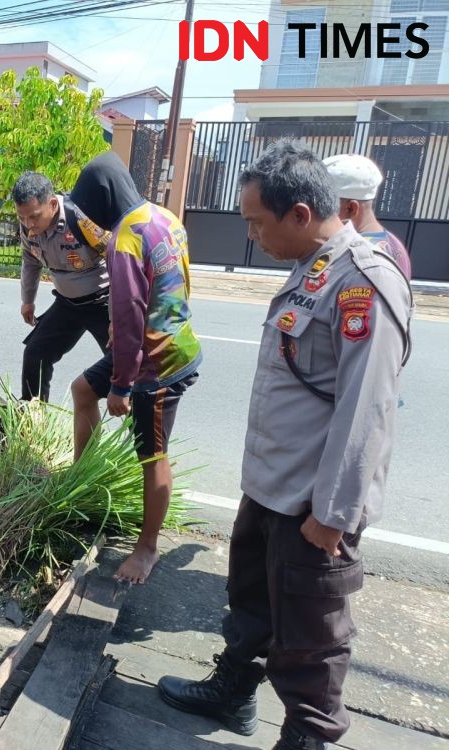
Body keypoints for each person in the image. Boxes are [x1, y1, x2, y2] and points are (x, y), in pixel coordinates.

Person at [157, 140, 412, 750]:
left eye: (256, 222)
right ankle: (233, 695)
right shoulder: (312, 267)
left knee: (311, 639)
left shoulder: (363, 284)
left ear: (300, 214)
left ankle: (308, 737)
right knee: (250, 607)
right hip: (270, 488)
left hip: (312, 508)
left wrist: (333, 515)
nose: (251, 236)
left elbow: (367, 409)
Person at [68, 151, 202, 585]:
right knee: (82, 389)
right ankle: (82, 476)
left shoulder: (123, 238)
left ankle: (146, 549)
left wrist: (123, 387)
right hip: (156, 340)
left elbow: (128, 314)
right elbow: (176, 279)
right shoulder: (165, 216)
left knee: (152, 455)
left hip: (157, 361)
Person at [11, 171, 113, 402]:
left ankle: (140, 434)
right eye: (22, 217)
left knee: (123, 367)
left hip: (104, 302)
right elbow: (30, 260)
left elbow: (118, 262)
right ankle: (32, 423)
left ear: (53, 204)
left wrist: (119, 317)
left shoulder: (82, 219)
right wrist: (28, 300)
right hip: (68, 304)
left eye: (34, 217)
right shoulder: (28, 226)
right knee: (35, 355)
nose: (28, 224)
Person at [323, 153, 412, 279]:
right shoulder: (393, 241)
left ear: (351, 208)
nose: (319, 213)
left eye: (324, 205)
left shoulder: (358, 254)